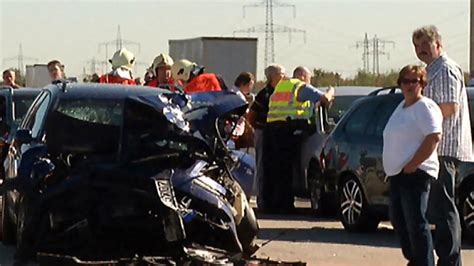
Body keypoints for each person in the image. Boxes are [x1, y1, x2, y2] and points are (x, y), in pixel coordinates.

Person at [412, 25, 472, 266]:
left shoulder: (445, 69)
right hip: (434, 150)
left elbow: (449, 107)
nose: (420, 50)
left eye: (425, 45)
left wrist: (422, 123)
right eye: (416, 46)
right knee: (436, 208)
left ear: (438, 44)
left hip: (444, 149)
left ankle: (450, 261)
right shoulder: (431, 71)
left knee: (444, 207)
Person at [383, 65, 442, 266]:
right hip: (398, 174)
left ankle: (424, 262)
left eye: (414, 81)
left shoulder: (424, 107)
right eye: (405, 81)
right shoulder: (401, 107)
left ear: (422, 84)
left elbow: (434, 137)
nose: (409, 85)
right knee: (398, 220)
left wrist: (413, 164)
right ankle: (416, 260)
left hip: (416, 173)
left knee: (416, 223)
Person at [261, 65, 334, 213]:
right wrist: (331, 91)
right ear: (302, 76)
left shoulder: (281, 87)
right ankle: (284, 206)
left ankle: (270, 205)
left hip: (270, 131)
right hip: (286, 132)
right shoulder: (300, 86)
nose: (309, 83)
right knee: (285, 171)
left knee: (271, 170)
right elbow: (324, 99)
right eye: (309, 79)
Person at [248, 64, 285, 209]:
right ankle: (263, 200)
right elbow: (251, 114)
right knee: (262, 164)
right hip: (263, 132)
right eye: (281, 74)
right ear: (272, 77)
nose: (284, 76)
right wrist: (257, 128)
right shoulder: (265, 94)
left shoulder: (283, 92)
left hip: (276, 133)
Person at [231, 72, 256, 149]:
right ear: (243, 83)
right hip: (236, 128)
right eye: (250, 85)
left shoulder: (233, 92)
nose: (251, 88)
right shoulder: (239, 96)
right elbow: (245, 112)